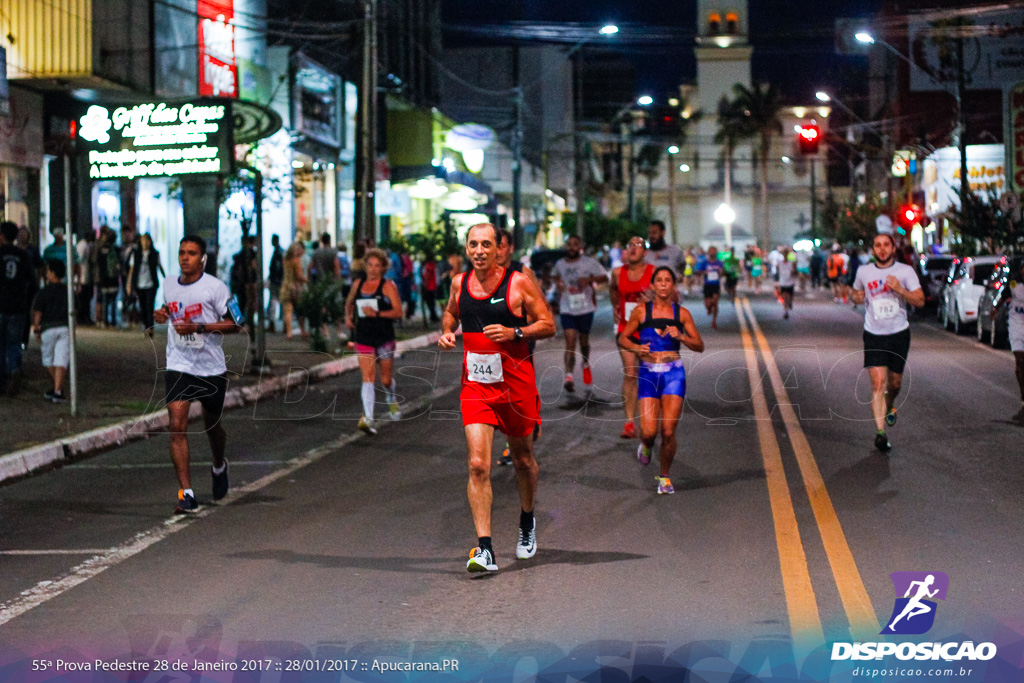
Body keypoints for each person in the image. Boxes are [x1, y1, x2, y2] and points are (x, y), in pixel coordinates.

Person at [438, 223, 555, 573]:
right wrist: (447, 332)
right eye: (473, 244)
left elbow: (547, 324)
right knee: (478, 464)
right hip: (476, 386)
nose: (479, 251)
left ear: (497, 248)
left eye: (485, 244)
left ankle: (527, 520)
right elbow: (450, 313)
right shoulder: (459, 283)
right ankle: (485, 549)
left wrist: (514, 331)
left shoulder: (518, 283)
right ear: (467, 247)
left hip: (515, 385)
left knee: (522, 460)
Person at [153, 236, 243, 513]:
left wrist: (200, 328)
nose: (185, 257)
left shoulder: (216, 288)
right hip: (179, 364)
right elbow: (170, 309)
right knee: (176, 425)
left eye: (192, 253)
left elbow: (236, 323)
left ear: (202, 258)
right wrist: (162, 314)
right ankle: (186, 493)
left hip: (211, 368)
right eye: (182, 252)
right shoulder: (168, 284)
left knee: (212, 425)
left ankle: (219, 465)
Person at [618, 267, 705, 494]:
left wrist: (682, 336)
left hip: (673, 374)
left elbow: (700, 345)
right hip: (648, 373)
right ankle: (646, 446)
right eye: (660, 280)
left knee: (668, 431)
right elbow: (623, 337)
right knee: (648, 432)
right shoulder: (641, 312)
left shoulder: (682, 314)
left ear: (673, 285)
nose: (664, 284)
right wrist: (637, 347)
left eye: (668, 280)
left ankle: (664, 476)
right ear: (653, 285)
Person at [850, 233, 925, 453]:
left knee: (894, 384)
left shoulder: (905, 271)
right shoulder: (864, 271)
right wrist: (856, 297)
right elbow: (855, 293)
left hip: (899, 333)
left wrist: (900, 290)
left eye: (886, 245)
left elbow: (920, 301)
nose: (882, 249)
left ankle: (890, 404)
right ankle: (880, 432)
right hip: (873, 333)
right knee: (878, 383)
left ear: (893, 249)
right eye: (878, 245)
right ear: (873, 249)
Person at [344, 248, 403, 435]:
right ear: (365, 265)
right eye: (370, 265)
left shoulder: (387, 286)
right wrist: (348, 316)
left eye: (377, 266)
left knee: (385, 379)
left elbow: (398, 312)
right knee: (368, 376)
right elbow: (349, 302)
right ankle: (368, 418)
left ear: (383, 268)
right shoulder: (358, 284)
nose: (373, 269)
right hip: (364, 335)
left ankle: (391, 396)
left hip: (384, 336)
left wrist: (376, 313)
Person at [552, 235, 608, 395]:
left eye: (575, 244)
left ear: (580, 246)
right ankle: (568, 376)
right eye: (569, 244)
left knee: (583, 341)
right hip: (567, 307)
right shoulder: (560, 264)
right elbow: (555, 276)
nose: (571, 247)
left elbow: (605, 277)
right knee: (570, 340)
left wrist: (590, 279)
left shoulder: (589, 263)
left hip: (585, 307)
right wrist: (558, 283)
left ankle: (585, 363)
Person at [610, 236, 654, 439]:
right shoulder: (618, 273)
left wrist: (654, 298)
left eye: (638, 245)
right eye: (630, 245)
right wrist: (615, 308)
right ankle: (629, 422)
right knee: (630, 374)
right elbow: (612, 289)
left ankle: (650, 416)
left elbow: (670, 294)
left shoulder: (654, 272)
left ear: (645, 252)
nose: (633, 248)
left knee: (649, 375)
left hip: (648, 329)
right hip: (625, 328)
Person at [0, 221, 35, 397]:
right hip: (18, 307)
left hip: (1, 306)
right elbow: (32, 280)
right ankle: (14, 369)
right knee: (14, 344)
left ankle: (2, 379)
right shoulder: (23, 256)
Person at [31, 260, 70, 402]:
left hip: (48, 329)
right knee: (61, 359)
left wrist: (36, 328)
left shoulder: (43, 292)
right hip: (65, 328)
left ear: (52, 274)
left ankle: (57, 389)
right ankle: (57, 390)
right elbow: (74, 310)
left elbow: (38, 313)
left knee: (48, 360)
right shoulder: (68, 291)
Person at [997, 259, 1024, 421]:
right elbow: (1001, 299)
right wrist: (995, 310)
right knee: (1020, 362)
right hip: (1016, 328)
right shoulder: (1014, 285)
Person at [126, 233, 166, 336]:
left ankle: (150, 328)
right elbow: (132, 269)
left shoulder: (154, 253)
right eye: (143, 240)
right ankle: (146, 326)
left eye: (147, 240)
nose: (145, 243)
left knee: (149, 305)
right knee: (143, 306)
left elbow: (159, 266)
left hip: (151, 283)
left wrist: (166, 278)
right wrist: (129, 283)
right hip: (139, 284)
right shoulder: (136, 254)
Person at [280, 240, 309, 338]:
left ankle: (289, 332)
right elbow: (299, 275)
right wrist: (307, 281)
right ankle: (303, 330)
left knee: (288, 310)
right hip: (296, 287)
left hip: (286, 285)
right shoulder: (296, 261)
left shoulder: (285, 260)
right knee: (300, 310)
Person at [95, 229, 121, 328]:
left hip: (104, 278)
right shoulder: (116, 250)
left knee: (105, 301)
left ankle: (106, 321)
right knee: (113, 301)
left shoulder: (101, 250)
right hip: (113, 278)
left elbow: (98, 264)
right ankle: (113, 322)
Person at [76, 231, 96, 325]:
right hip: (83, 277)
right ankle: (82, 318)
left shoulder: (86, 245)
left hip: (86, 276)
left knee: (86, 299)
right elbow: (79, 261)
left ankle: (85, 317)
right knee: (83, 299)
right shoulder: (82, 245)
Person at [266, 234, 285, 333]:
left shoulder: (278, 253)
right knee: (279, 303)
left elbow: (276, 268)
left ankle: (273, 324)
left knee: (273, 302)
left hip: (276, 281)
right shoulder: (279, 252)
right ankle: (284, 325)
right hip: (277, 281)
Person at [703, 246, 725, 330]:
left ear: (716, 252)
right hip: (707, 285)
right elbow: (697, 271)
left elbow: (723, 272)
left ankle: (714, 321)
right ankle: (709, 307)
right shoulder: (705, 263)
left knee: (715, 302)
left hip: (715, 284)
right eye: (710, 251)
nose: (712, 252)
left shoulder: (719, 263)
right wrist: (704, 272)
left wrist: (721, 272)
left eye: (713, 251)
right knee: (708, 304)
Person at [420, 250, 439, 323]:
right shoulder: (433, 265)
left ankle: (433, 316)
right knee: (432, 303)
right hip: (433, 286)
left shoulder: (427, 266)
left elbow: (426, 276)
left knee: (430, 303)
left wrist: (425, 283)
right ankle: (433, 316)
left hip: (428, 286)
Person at [777, 246, 796, 319]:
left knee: (789, 296)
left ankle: (789, 303)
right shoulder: (780, 263)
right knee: (785, 297)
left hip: (790, 282)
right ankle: (786, 311)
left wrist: (793, 273)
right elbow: (778, 271)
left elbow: (795, 271)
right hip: (783, 282)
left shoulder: (792, 263)